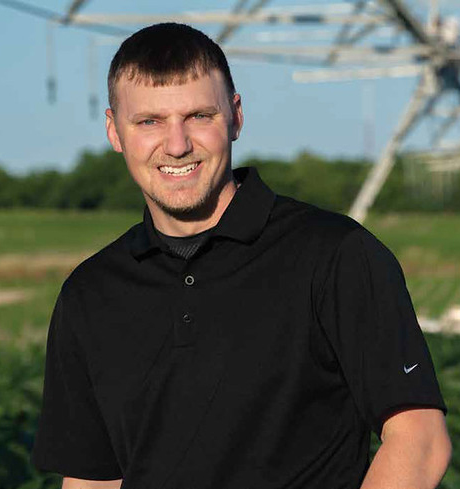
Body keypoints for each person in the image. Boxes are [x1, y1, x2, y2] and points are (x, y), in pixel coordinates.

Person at [32, 23, 451, 489]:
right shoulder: (90, 293)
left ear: (235, 116)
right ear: (114, 131)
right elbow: (94, 480)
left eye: (199, 116)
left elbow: (419, 438)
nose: (176, 144)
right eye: (149, 121)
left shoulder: (334, 254)